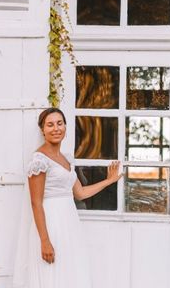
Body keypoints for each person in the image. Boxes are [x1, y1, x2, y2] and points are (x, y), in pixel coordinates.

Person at [12, 108, 122, 288]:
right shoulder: (39, 160)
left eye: (59, 123)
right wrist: (45, 241)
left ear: (65, 126)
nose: (56, 128)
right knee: (51, 275)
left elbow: (80, 193)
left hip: (69, 224)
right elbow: (36, 203)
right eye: (50, 125)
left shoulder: (67, 159)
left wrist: (108, 181)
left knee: (69, 274)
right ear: (43, 130)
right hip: (51, 225)